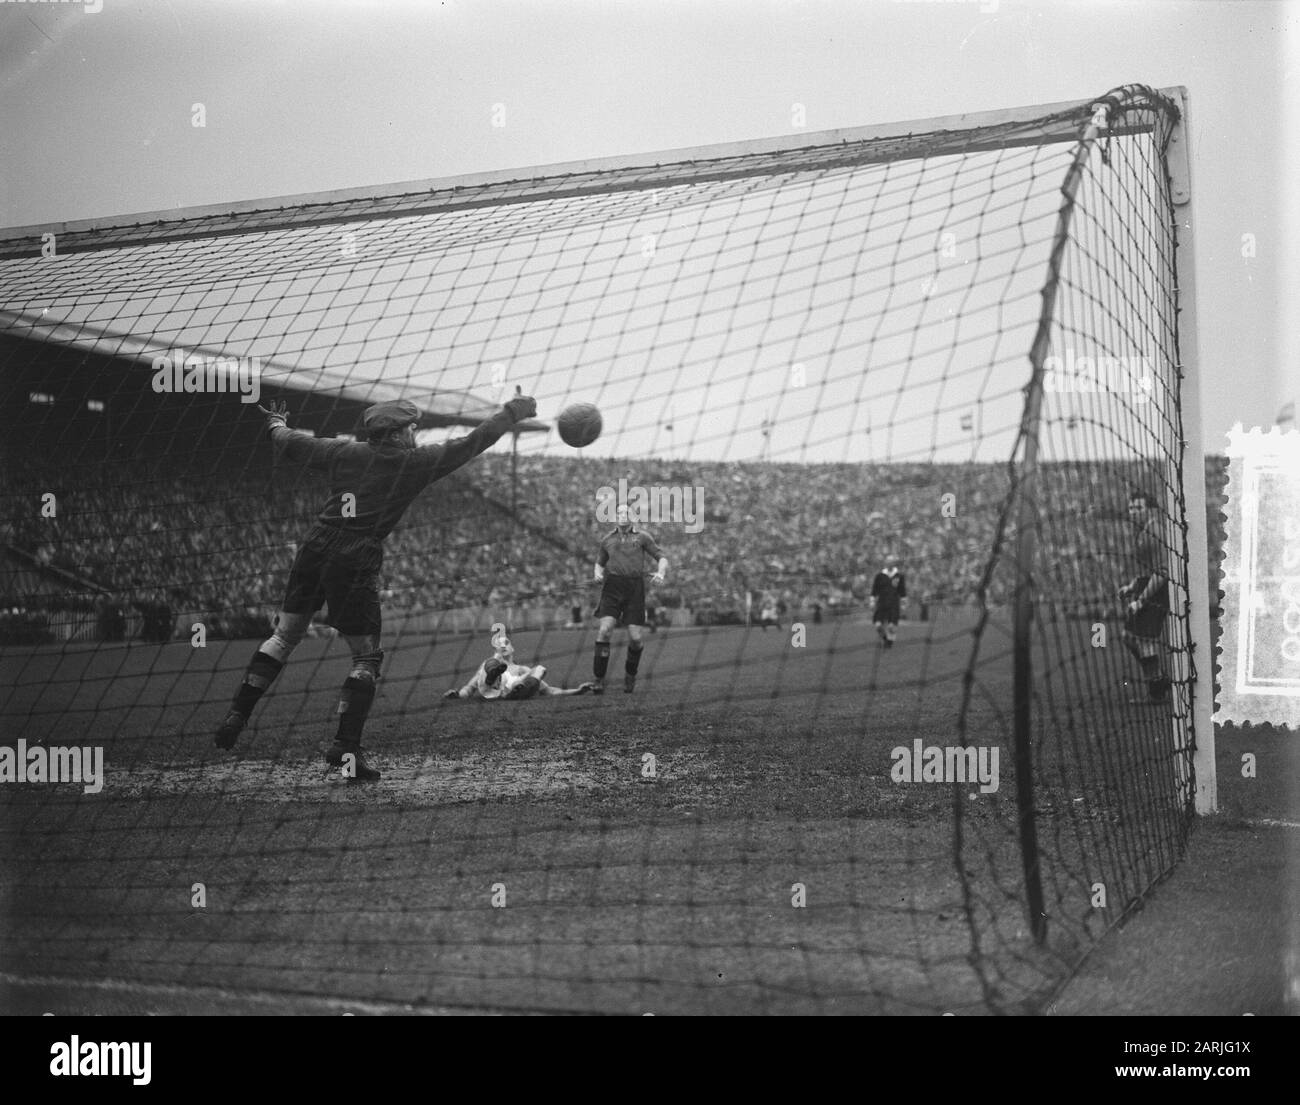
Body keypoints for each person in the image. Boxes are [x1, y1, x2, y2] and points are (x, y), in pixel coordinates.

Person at [213, 390, 537, 781]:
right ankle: (345, 747)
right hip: (356, 554)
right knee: (365, 658)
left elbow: (289, 442)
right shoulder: (414, 463)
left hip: (315, 544)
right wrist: (512, 411)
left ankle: (237, 713)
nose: (415, 432)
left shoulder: (341, 451)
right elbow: (474, 441)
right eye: (412, 427)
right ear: (399, 433)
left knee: (283, 637)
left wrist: (275, 423)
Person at [592, 503, 667, 693]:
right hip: (612, 587)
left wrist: (661, 573)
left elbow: (662, 557)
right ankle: (598, 679)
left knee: (635, 638)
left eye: (626, 512)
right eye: (619, 512)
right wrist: (597, 574)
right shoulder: (607, 539)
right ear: (614, 516)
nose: (622, 515)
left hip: (634, 588)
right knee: (604, 630)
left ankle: (630, 674)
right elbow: (599, 563)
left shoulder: (643, 537)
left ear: (632, 516)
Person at [1118, 490, 1172, 704]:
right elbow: (1149, 568)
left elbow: (1163, 571)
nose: (1133, 512)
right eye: (1131, 508)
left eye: (1138, 508)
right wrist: (1132, 586)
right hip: (1147, 588)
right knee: (1129, 637)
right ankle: (1159, 680)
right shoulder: (1144, 530)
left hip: (1156, 593)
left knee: (1143, 640)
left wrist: (1141, 600)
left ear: (1150, 509)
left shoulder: (1155, 531)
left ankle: (1157, 691)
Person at [444, 626, 595, 700]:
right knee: (490, 665)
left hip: (518, 686)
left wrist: (577, 691)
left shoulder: (522, 669)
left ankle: (514, 689)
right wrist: (457, 695)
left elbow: (549, 691)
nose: (503, 647)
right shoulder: (487, 664)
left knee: (539, 669)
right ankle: (499, 681)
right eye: (499, 645)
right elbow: (469, 688)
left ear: (512, 648)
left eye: (506, 643)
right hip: (494, 687)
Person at [871, 559, 906, 648]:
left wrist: (903, 604)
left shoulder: (899, 575)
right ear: (885, 563)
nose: (890, 564)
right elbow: (874, 590)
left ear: (894, 563)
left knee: (891, 626)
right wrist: (872, 601)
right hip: (881, 603)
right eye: (888, 562)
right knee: (878, 625)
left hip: (894, 603)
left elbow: (902, 591)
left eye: (891, 562)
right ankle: (886, 639)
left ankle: (889, 642)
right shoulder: (880, 576)